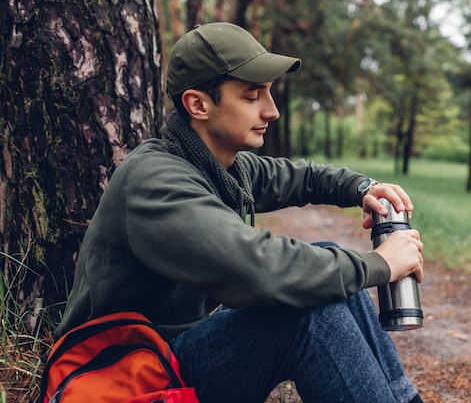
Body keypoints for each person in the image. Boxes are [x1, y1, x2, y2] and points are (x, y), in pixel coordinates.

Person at [55, 22, 426, 403]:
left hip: (170, 358)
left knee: (328, 269)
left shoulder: (216, 165)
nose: (272, 111)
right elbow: (261, 269)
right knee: (307, 313)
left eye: (268, 93)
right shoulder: (154, 181)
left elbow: (297, 176)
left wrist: (362, 188)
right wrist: (378, 265)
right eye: (252, 97)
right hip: (128, 377)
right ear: (198, 105)